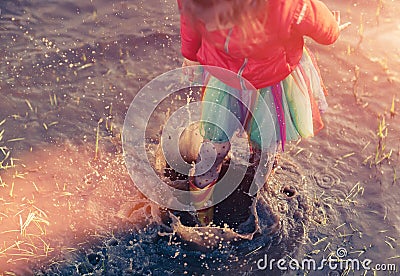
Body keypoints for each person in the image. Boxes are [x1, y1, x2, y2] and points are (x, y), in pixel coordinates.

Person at [177, 0, 350, 226]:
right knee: (264, 144)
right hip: (271, 84)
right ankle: (254, 195)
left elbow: (189, 19)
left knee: (213, 148)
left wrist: (190, 54)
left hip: (223, 81)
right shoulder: (289, 4)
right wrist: (334, 27)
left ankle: (201, 216)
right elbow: (325, 31)